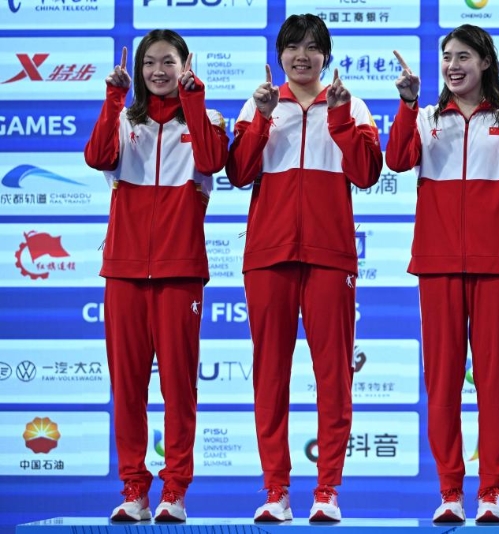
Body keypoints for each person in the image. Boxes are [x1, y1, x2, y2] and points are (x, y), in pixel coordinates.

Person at [225, 13, 382, 523]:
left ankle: (327, 490)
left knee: (333, 376)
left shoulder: (351, 105)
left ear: (326, 57)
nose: (302, 56)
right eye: (293, 47)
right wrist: (262, 118)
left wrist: (339, 118)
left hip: (329, 255)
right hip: (268, 255)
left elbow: (367, 174)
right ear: (280, 55)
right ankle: (276, 491)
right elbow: (238, 172)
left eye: (313, 47)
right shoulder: (259, 103)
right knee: (270, 376)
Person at [386, 25, 499, 524]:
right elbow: (397, 159)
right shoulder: (426, 118)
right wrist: (407, 104)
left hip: (497, 265)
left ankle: (491, 492)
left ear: (486, 62)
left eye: (464, 56)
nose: (453, 66)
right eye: (447, 57)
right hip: (437, 265)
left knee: (494, 383)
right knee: (443, 382)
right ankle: (450, 491)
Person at [84, 30, 228, 522]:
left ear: (186, 65)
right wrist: (113, 97)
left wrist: (194, 100)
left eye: (168, 61)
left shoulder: (208, 120)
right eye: (149, 63)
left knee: (178, 389)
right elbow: (97, 157)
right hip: (123, 272)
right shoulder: (124, 120)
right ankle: (134, 489)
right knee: (127, 388)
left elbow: (212, 161)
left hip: (180, 272)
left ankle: (175, 491)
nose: (158, 71)